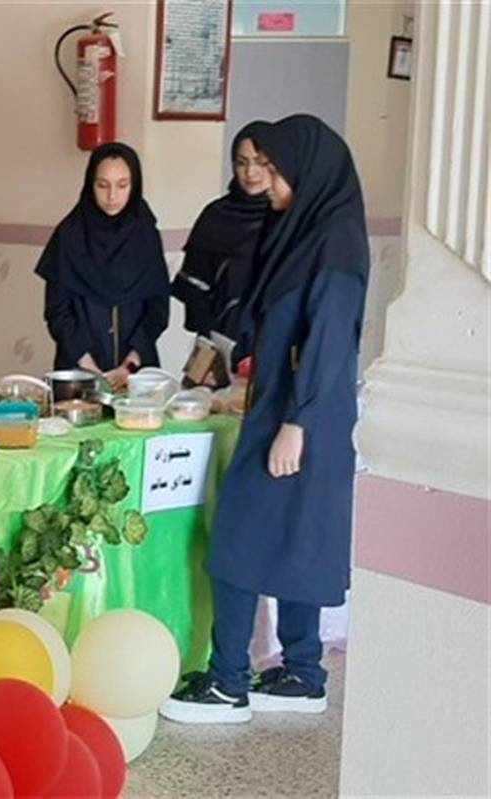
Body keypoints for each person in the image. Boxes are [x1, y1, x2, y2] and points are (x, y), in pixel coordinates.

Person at [160, 114, 370, 724]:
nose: (266, 183)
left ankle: (228, 683)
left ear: (308, 172)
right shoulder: (306, 231)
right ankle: (303, 673)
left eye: (276, 172)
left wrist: (295, 425)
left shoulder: (334, 242)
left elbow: (328, 340)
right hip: (288, 409)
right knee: (297, 541)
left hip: (301, 419)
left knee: (237, 539)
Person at [36, 142, 169, 390]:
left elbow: (158, 310)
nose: (112, 196)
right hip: (78, 372)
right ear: (90, 184)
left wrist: (129, 366)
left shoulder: (146, 236)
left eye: (122, 185)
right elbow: (58, 312)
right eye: (102, 185)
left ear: (135, 185)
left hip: (137, 372)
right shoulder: (69, 236)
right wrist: (91, 369)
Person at [173, 122, 271, 342]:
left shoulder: (287, 218)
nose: (250, 172)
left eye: (260, 163)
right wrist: (212, 336)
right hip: (220, 339)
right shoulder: (216, 214)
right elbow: (193, 285)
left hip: (273, 342)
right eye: (242, 163)